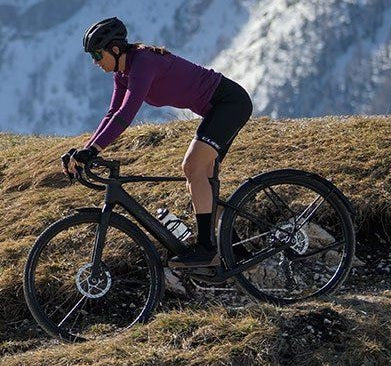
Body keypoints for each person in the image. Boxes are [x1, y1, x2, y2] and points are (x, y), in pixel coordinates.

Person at [61, 17, 254, 267]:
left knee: (192, 167)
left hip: (230, 103)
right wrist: (87, 149)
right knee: (199, 182)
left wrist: (95, 149)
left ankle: (207, 250)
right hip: (217, 109)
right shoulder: (123, 73)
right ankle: (236, 250)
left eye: (97, 54)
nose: (95, 62)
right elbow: (112, 113)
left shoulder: (143, 63)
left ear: (115, 49)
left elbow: (126, 113)